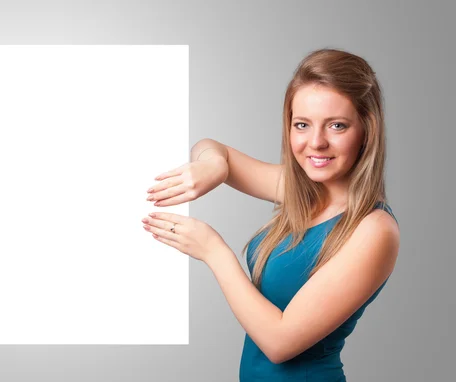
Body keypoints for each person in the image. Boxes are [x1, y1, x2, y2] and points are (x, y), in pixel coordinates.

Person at [142, 48, 400, 381]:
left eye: (337, 125)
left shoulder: (375, 230)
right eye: (302, 125)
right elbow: (211, 146)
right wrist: (213, 166)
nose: (316, 142)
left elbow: (279, 342)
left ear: (367, 130)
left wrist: (213, 251)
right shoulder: (300, 190)